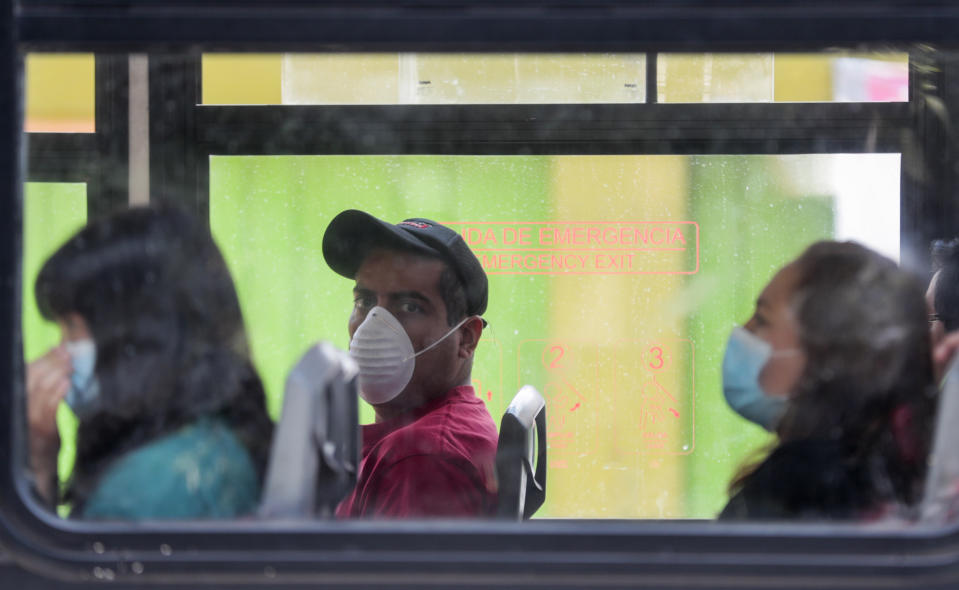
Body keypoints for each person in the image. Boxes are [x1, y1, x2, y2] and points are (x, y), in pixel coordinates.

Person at [27, 206, 274, 519]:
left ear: (135, 337)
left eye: (73, 329)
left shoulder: (148, 490)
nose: (58, 353)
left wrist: (35, 469)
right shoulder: (209, 444)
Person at [719, 241, 937, 521]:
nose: (744, 331)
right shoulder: (879, 472)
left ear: (823, 358)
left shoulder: (796, 489)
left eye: (762, 320)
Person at [322, 210, 497, 518]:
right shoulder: (426, 436)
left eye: (409, 306)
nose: (373, 325)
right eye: (365, 301)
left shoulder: (421, 459)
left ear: (466, 338)